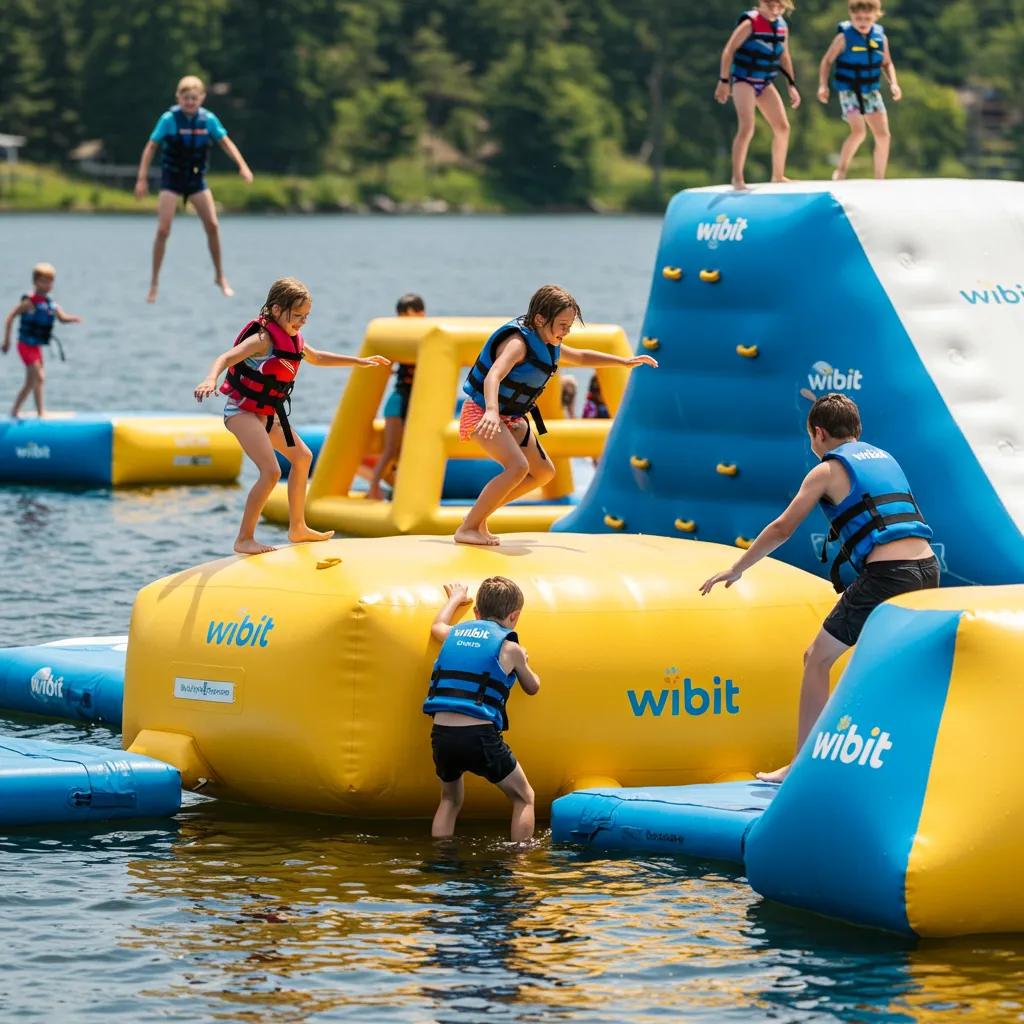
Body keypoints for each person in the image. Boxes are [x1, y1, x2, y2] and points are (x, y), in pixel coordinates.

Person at [699, 393, 939, 783]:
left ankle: (802, 767)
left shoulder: (826, 471)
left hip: (889, 576)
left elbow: (782, 528)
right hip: (928, 569)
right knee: (884, 662)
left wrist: (737, 568)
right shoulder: (884, 457)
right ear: (857, 430)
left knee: (816, 658)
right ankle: (893, 756)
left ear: (818, 433)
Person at [194, 277, 390, 555]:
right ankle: (244, 539)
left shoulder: (294, 339)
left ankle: (297, 527)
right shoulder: (262, 339)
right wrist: (209, 379)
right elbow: (225, 358)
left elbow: (318, 357)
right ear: (276, 310)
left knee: (303, 458)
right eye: (297, 315)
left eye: (306, 316)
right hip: (242, 411)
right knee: (271, 471)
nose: (302, 321)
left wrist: (358, 361)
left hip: (267, 413)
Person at [454, 285, 658, 546]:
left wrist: (623, 361)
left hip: (511, 417)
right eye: (562, 325)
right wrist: (492, 411)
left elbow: (581, 357)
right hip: (483, 413)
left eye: (569, 326)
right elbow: (493, 375)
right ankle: (468, 527)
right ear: (540, 319)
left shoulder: (549, 343)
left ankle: (479, 516)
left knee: (543, 472)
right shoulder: (518, 344)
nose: (566, 331)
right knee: (518, 467)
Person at [423, 577, 540, 842]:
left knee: (450, 800)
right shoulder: (511, 648)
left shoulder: (455, 633)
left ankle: (442, 860)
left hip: (442, 735)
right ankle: (518, 863)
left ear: (476, 612)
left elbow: (436, 626)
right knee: (524, 797)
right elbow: (532, 687)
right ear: (514, 616)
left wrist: (454, 598)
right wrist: (524, 662)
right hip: (480, 737)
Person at [134, 75, 254, 303]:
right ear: (178, 97)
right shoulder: (169, 119)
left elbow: (226, 142)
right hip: (171, 180)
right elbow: (151, 147)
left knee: (212, 225)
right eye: (186, 98)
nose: (190, 102)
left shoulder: (208, 120)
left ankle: (220, 276)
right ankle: (154, 283)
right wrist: (141, 179)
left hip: (196, 181)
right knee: (163, 231)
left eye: (194, 98)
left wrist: (242, 166)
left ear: (202, 98)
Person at [715, 1, 802, 190]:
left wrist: (791, 86)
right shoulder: (750, 23)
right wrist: (723, 81)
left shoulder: (781, 26)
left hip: (765, 82)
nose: (776, 11)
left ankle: (777, 176)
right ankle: (737, 178)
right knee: (747, 127)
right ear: (762, 3)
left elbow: (784, 57)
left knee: (782, 127)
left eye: (780, 8)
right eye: (772, 6)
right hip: (744, 80)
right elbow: (729, 51)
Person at [818, 0, 901, 180]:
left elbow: (887, 63)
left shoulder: (880, 38)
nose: (862, 22)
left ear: (875, 17)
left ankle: (879, 178)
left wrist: (894, 83)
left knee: (884, 135)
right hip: (849, 91)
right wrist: (823, 85)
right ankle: (841, 170)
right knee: (859, 132)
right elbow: (826, 61)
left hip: (870, 91)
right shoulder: (843, 38)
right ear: (851, 17)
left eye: (867, 18)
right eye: (858, 18)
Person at [2, 263, 83, 419]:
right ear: (35, 282)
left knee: (38, 378)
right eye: (43, 281)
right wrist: (7, 341)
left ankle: (38, 412)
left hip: (36, 347)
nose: (47, 285)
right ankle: (18, 412)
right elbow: (10, 317)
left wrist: (72, 319)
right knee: (34, 378)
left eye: (50, 282)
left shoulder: (50, 304)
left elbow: (62, 318)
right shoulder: (29, 303)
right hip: (25, 345)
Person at [366, 293, 426, 500]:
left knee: (408, 452)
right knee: (391, 449)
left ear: (422, 314)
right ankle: (373, 489)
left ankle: (401, 491)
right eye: (402, 317)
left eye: (409, 315)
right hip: (399, 400)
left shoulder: (428, 337)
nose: (405, 322)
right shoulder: (400, 338)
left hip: (418, 401)